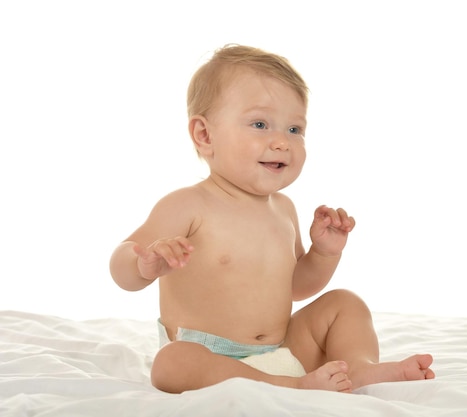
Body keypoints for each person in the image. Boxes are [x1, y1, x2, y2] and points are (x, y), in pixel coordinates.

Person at [109, 44, 435, 394]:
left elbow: (295, 287)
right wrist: (144, 264)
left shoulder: (284, 209)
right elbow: (121, 266)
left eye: (295, 129)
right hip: (210, 356)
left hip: (282, 348)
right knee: (171, 363)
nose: (281, 142)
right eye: (260, 124)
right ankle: (290, 385)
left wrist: (324, 253)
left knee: (346, 303)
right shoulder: (187, 205)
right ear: (205, 135)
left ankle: (357, 367)